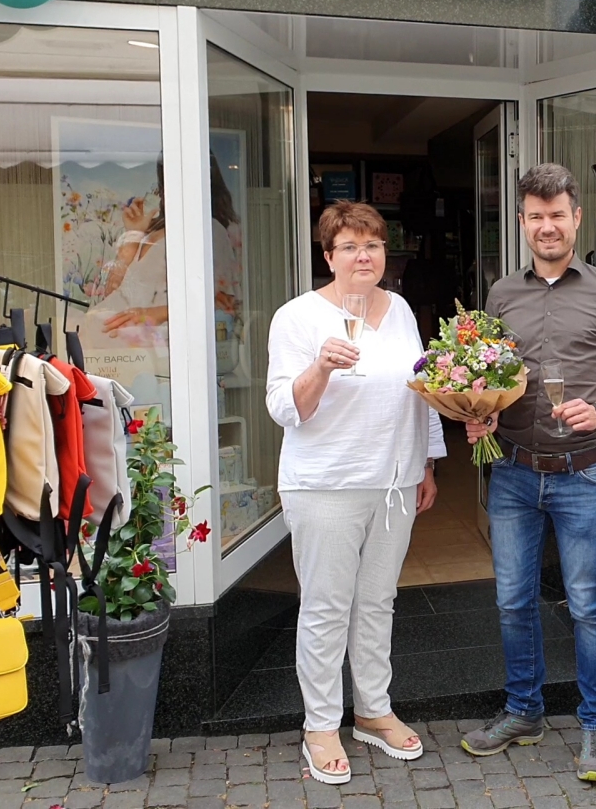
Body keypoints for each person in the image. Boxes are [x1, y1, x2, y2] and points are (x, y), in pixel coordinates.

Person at [460, 163, 596, 782]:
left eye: (557, 215)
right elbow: (486, 372)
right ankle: (525, 712)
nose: (547, 226)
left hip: (583, 474)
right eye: (535, 216)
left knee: (589, 606)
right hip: (514, 474)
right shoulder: (500, 293)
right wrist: (478, 411)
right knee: (513, 602)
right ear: (522, 222)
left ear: (575, 218)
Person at [265, 201, 445, 785]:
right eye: (349, 246)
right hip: (325, 484)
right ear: (328, 256)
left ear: (384, 253)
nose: (363, 255)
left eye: (372, 244)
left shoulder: (400, 310)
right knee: (325, 606)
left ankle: (372, 710)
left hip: (393, 482)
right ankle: (320, 723)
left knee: (377, 601)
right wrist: (320, 367)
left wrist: (427, 463)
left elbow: (422, 386)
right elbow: (284, 408)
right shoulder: (297, 317)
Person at [86, 154, 240, 346]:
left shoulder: (209, 229)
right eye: (165, 183)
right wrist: (133, 234)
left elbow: (221, 302)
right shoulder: (153, 230)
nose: (167, 191)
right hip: (114, 343)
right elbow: (112, 292)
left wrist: (153, 314)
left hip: (151, 347)